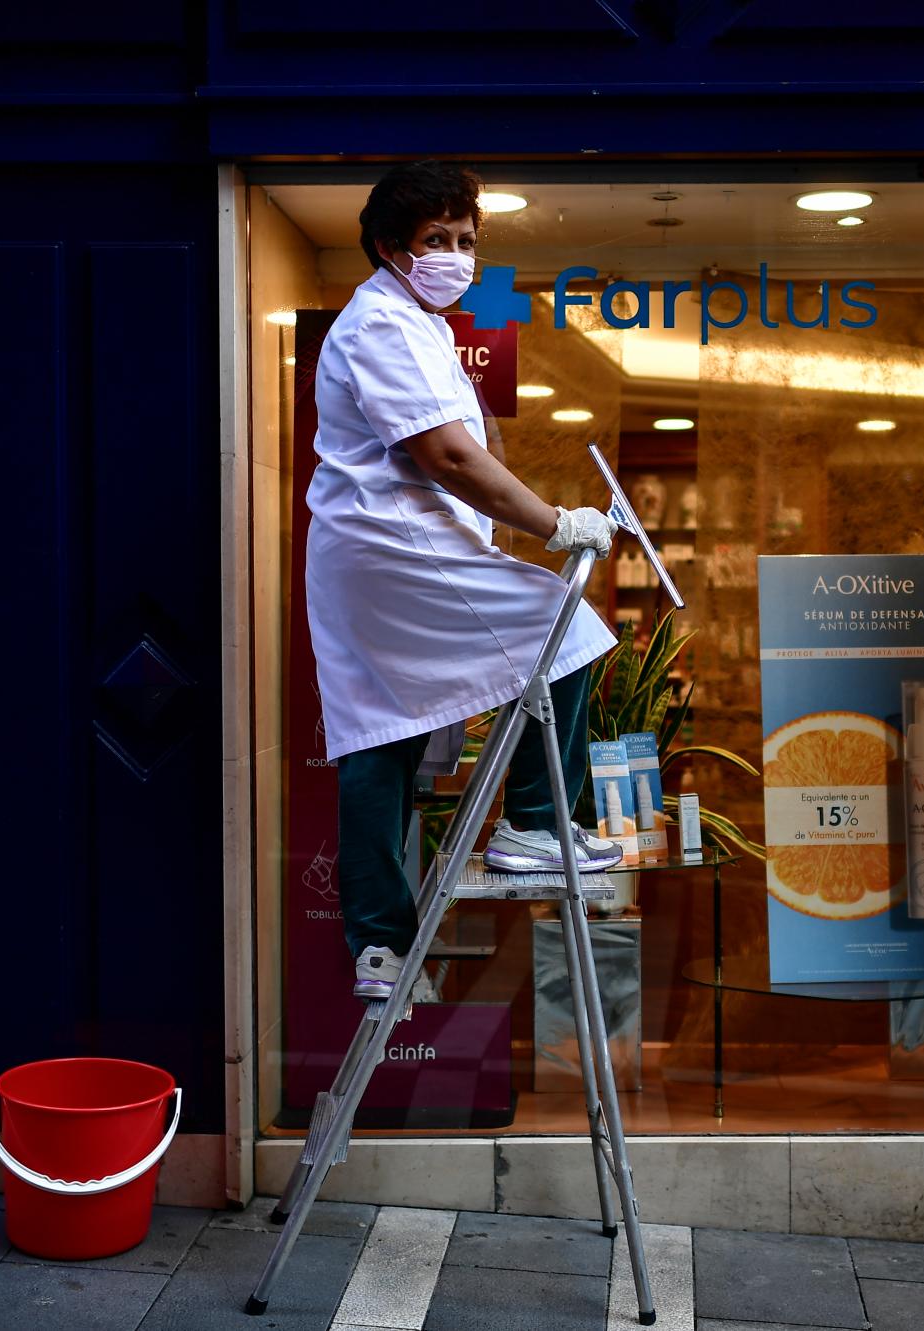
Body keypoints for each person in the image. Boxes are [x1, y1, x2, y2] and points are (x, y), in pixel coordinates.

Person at [305, 160, 624, 1003]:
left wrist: (511, 509)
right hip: (394, 548)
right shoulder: (381, 326)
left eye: (466, 241)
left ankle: (380, 946)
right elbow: (445, 456)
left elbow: (473, 444)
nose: (455, 255)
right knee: (566, 626)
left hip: (376, 556)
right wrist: (555, 524)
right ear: (388, 248)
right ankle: (535, 823)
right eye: (435, 241)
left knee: (381, 731)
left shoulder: (420, 325)